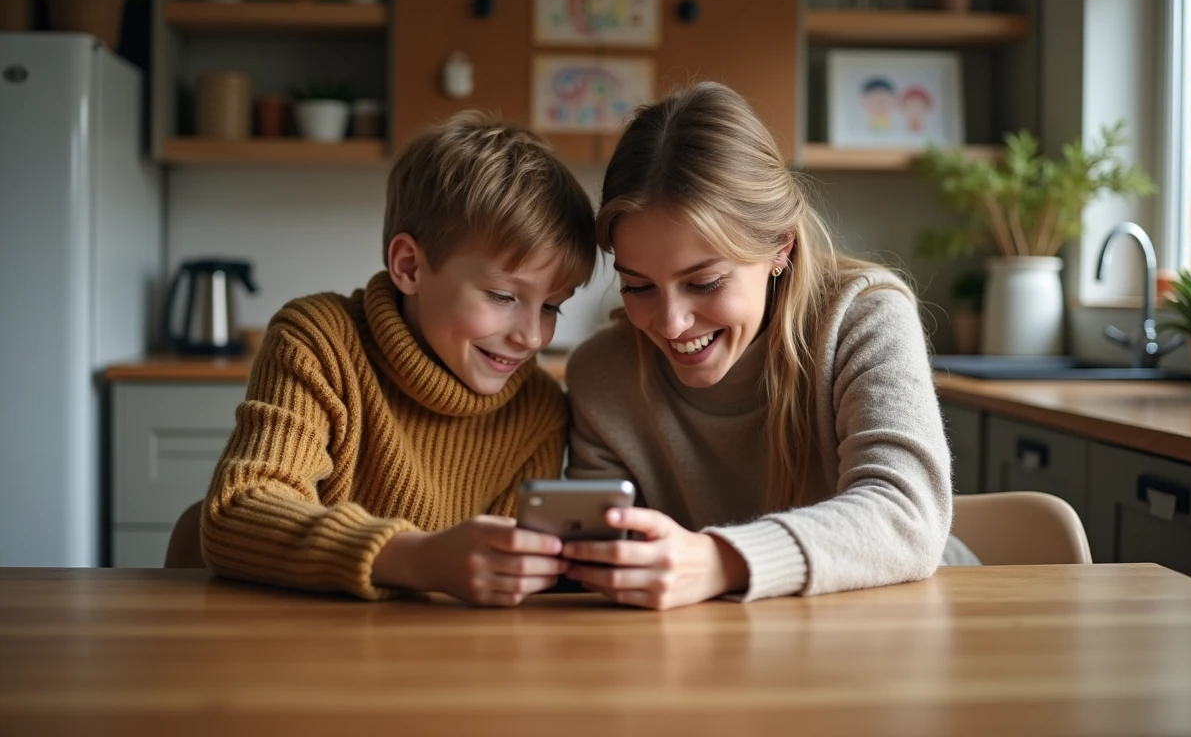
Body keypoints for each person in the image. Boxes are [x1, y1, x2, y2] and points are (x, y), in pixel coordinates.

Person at [563, 82, 976, 611]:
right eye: (638, 286)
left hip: (913, 623)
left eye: (705, 282)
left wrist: (720, 561)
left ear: (779, 246)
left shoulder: (863, 317)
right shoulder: (603, 373)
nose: (669, 323)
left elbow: (905, 516)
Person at [201, 112, 596, 605]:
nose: (533, 336)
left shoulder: (537, 404)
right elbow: (238, 511)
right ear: (409, 266)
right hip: (304, 652)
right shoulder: (319, 341)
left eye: (553, 306)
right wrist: (418, 558)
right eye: (501, 296)